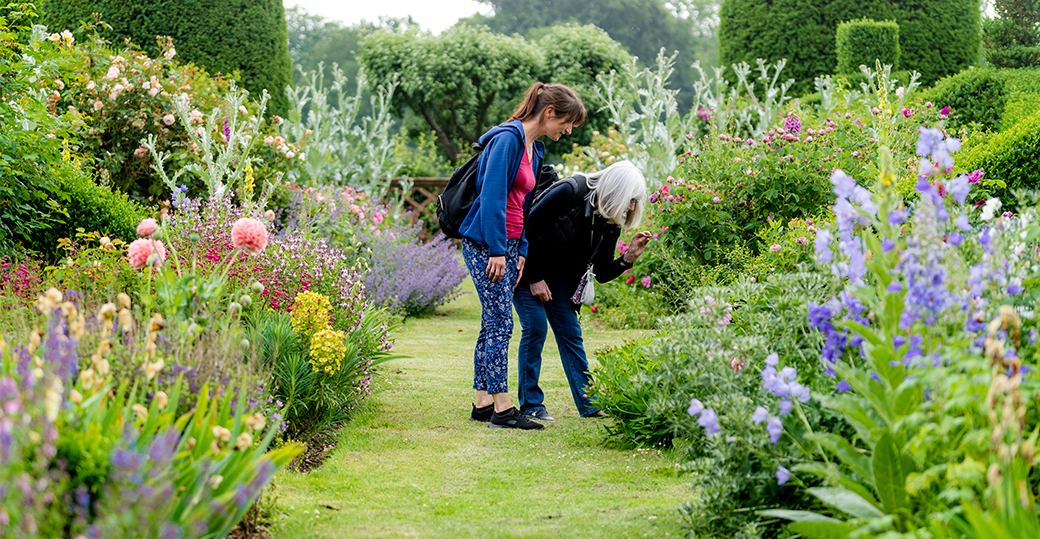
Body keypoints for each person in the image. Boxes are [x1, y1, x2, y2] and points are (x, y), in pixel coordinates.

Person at [459, 82, 586, 429]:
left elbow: (525, 206)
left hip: (511, 245)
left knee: (491, 321)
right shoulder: (507, 140)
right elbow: (492, 198)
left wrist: (522, 251)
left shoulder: (534, 149)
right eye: (568, 122)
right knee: (501, 321)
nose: (569, 130)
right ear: (549, 113)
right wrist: (499, 250)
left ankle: (482, 401)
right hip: (487, 244)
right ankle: (502, 409)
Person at [513, 160, 651, 420]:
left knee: (571, 335)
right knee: (535, 327)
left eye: (635, 201)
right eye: (630, 199)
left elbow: (601, 272)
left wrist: (628, 259)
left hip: (558, 277)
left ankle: (589, 405)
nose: (631, 206)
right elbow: (526, 229)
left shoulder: (610, 219)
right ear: (616, 190)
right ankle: (531, 404)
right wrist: (534, 278)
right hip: (525, 264)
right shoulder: (570, 190)